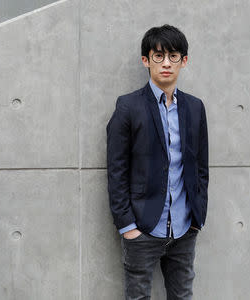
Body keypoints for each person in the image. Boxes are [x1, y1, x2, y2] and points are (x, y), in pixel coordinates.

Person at [106, 25, 209, 299]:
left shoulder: (195, 107)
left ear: (183, 61)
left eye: (173, 56)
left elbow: (201, 168)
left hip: (184, 228)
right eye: (158, 55)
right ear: (146, 60)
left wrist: (198, 217)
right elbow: (117, 171)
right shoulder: (128, 107)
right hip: (142, 228)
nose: (166, 63)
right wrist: (128, 227)